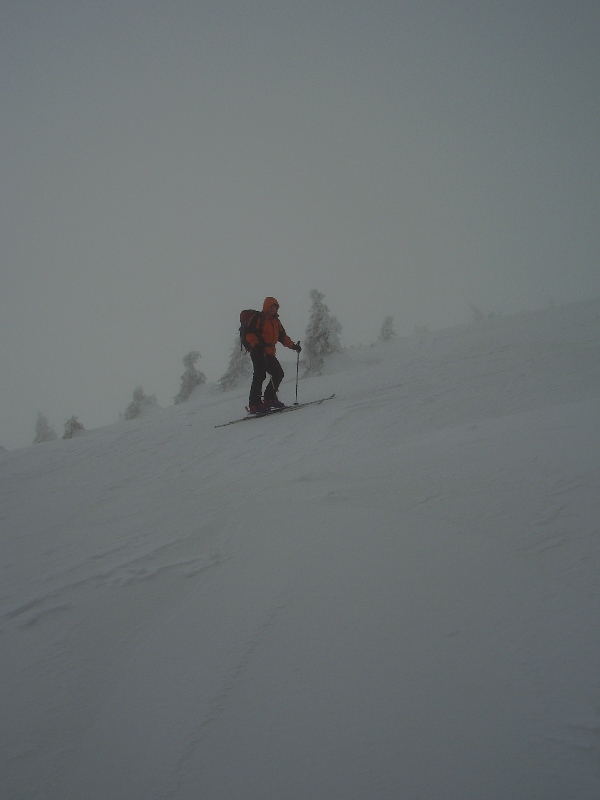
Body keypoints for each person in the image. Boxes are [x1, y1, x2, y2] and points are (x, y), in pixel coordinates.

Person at [245, 296, 301, 412]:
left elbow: (282, 337)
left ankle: (269, 398)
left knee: (278, 373)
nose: (272, 309)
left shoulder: (276, 322)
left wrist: (293, 346)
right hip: (258, 352)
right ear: (266, 307)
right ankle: (254, 404)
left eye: (274, 307)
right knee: (260, 375)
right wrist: (256, 346)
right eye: (270, 307)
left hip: (269, 353)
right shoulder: (258, 318)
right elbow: (249, 334)